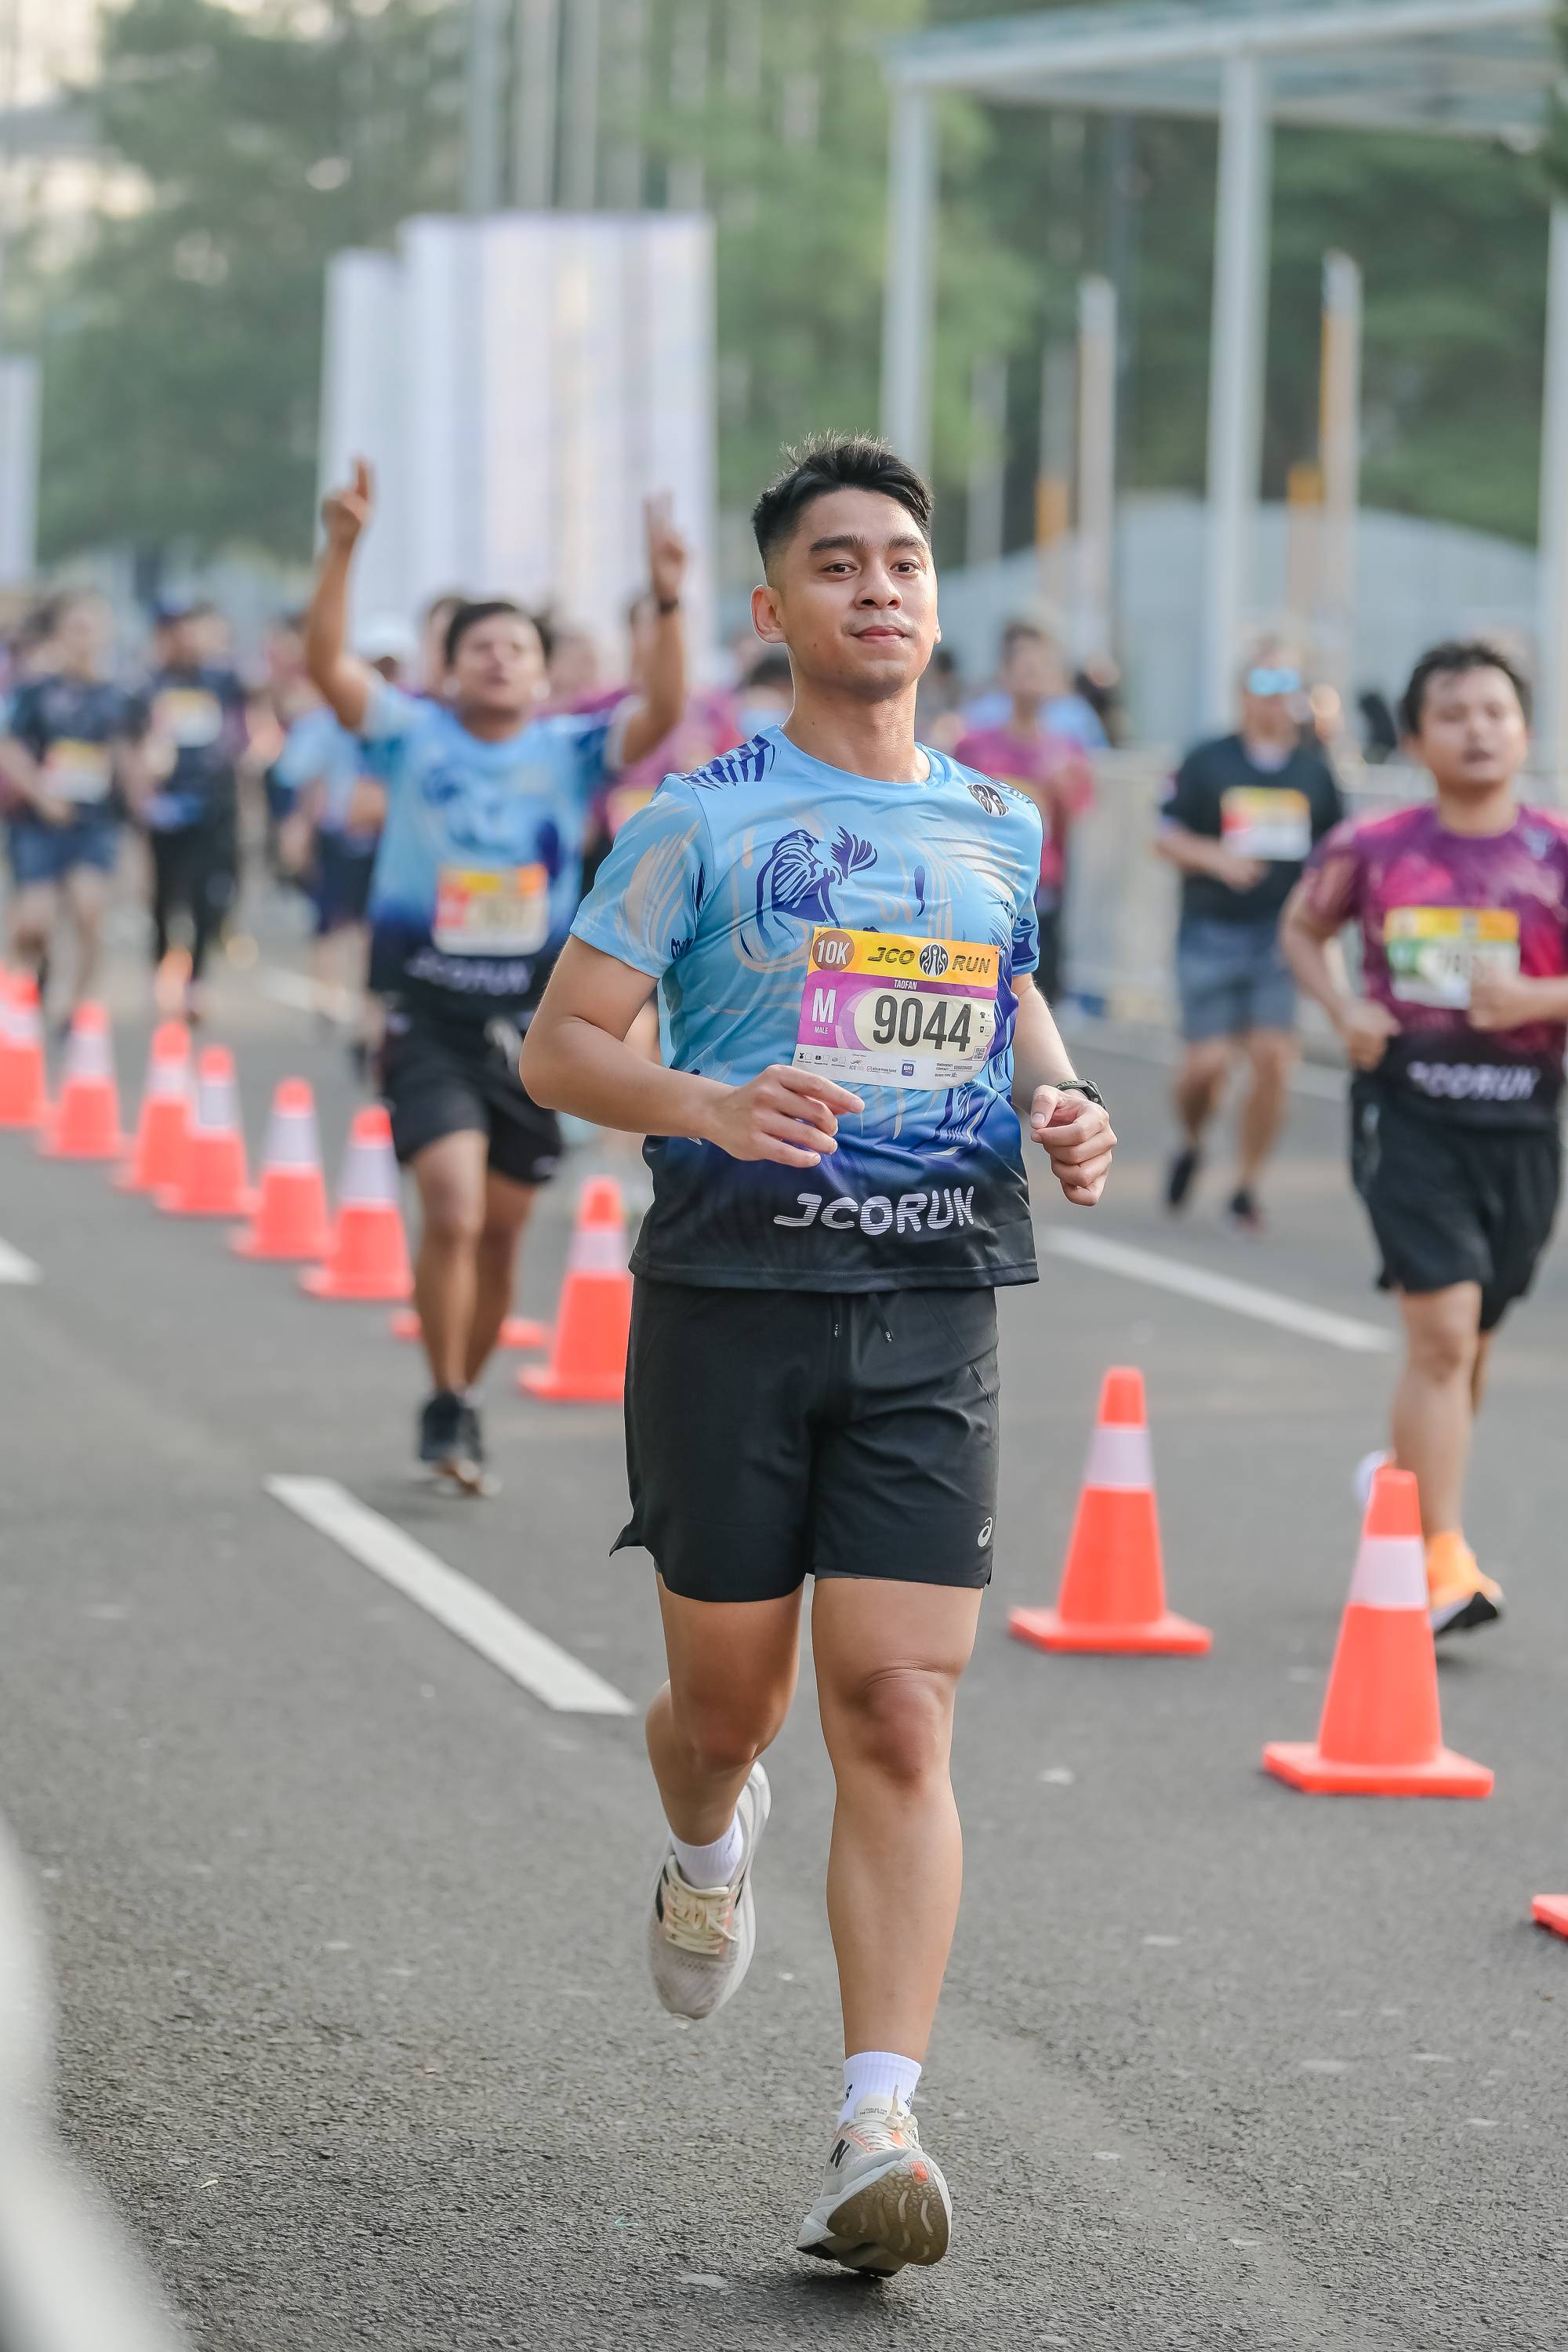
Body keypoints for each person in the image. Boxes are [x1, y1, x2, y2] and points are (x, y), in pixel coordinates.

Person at [521, 434, 1115, 2278]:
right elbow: (559, 1044)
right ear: (774, 607)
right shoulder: (696, 820)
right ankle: (707, 1841)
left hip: (933, 1302)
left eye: (902, 561)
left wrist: (1059, 1094)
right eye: (837, 562)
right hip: (728, 1304)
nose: (877, 587)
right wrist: (704, 1099)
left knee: (899, 1708)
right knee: (729, 1716)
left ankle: (878, 2124)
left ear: (933, 600)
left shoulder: (997, 819)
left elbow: (1005, 981)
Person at [303, 459, 689, 1492]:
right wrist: (340, 549)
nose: (500, 659)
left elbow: (662, 708)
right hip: (427, 1014)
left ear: (541, 672)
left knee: (505, 1235)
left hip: (533, 1029)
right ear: (448, 666)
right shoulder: (407, 734)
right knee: (454, 1209)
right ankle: (443, 1389)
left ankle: (461, 1395)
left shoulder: (570, 749)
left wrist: (666, 600)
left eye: (518, 647)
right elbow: (326, 664)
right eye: (480, 646)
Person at [1281, 641, 1568, 1638]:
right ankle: (1440, 1559)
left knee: (1471, 1337)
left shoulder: (1557, 850)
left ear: (1523, 730)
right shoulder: (1373, 846)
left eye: (1494, 711)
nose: (1476, 730)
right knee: (1442, 1333)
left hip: (1523, 1123)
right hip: (1407, 1116)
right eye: (1452, 713)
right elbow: (1302, 929)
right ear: (1412, 739)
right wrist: (1343, 1010)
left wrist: (1536, 997)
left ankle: (1400, 1485)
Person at [1156, 650, 1343, 1232]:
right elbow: (1165, 835)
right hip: (1211, 931)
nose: (1274, 696)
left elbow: (1337, 853)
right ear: (1242, 693)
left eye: (1286, 685)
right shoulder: (1208, 759)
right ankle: (1192, 1140)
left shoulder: (1314, 771)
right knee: (1206, 1067)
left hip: (1279, 938)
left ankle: (1247, 1185)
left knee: (1273, 1061)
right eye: (1262, 683)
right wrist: (1216, 858)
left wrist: (1325, 913)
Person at [0, 593, 147, 1020]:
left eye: (93, 628)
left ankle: (79, 1009)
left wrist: (145, 782)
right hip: (38, 823)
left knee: (89, 910)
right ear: (60, 634)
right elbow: (10, 748)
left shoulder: (121, 697)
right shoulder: (34, 692)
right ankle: (36, 974)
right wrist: (41, 795)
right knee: (34, 922)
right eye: (77, 628)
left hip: (94, 824)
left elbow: (131, 760)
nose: (86, 638)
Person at [272, 616, 412, 1065]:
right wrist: (299, 830)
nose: (384, 677)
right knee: (331, 923)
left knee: (377, 933)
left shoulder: (414, 722)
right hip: (338, 838)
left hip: (391, 843)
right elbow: (306, 777)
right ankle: (329, 1003)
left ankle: (369, 1021)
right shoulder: (330, 720)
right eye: (377, 666)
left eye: (392, 668)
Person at [954, 622, 1095, 1004]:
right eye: (1024, 668)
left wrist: (1062, 790)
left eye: (1041, 669)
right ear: (1005, 675)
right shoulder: (974, 746)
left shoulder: (1068, 751)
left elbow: (1080, 818)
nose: (1033, 678)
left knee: (1038, 997)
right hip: (982, 886)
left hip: (1043, 892)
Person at [141, 603, 250, 1021]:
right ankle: (160, 968)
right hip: (165, 808)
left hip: (212, 806)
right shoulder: (149, 684)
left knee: (206, 894)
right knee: (165, 895)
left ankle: (196, 982)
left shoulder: (221, 679)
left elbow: (259, 704)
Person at [961, 620, 1106, 750]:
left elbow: (1098, 760)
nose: (1031, 670)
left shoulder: (1075, 715)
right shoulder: (984, 713)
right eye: (1022, 660)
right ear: (1005, 668)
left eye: (1040, 662)